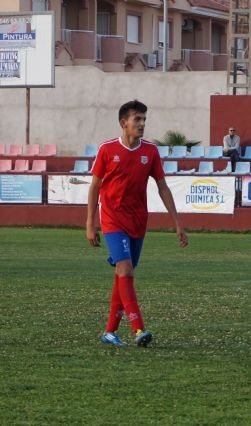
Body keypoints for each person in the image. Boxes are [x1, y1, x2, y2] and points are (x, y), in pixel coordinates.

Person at [86, 100, 188, 347]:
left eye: (144, 119)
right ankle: (138, 328)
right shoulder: (107, 150)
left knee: (123, 274)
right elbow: (95, 187)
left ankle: (109, 332)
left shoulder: (150, 152)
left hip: (138, 221)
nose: (142, 124)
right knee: (125, 269)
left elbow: (163, 187)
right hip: (112, 219)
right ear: (124, 123)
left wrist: (177, 222)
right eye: (137, 120)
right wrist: (91, 222)